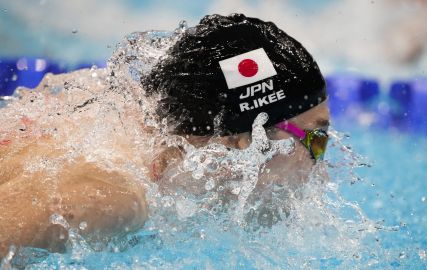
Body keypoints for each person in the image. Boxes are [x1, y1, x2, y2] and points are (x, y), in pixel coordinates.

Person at [0, 14, 330, 257]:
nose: (325, 169)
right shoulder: (108, 196)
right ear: (247, 142)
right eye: (318, 139)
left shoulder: (121, 136)